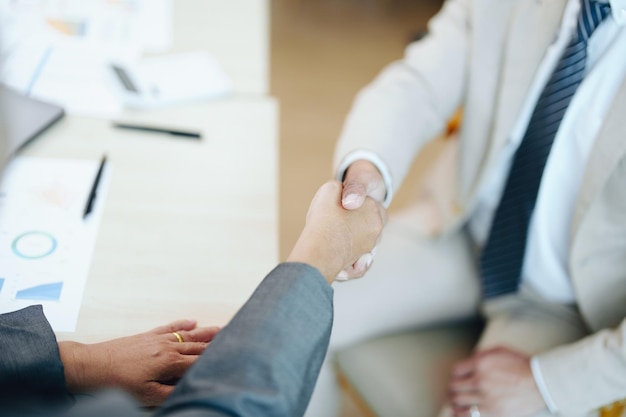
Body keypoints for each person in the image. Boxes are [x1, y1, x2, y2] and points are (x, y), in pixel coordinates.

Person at [303, 0, 626, 416]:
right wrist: (366, 173)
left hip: (571, 308)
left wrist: (549, 382)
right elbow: (419, 83)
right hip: (460, 234)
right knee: (287, 321)